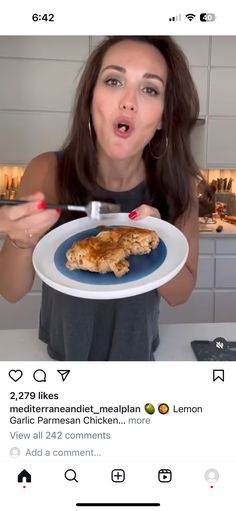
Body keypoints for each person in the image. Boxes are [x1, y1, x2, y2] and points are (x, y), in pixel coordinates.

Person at [0, 36, 200, 361]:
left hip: (138, 356)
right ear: (91, 99)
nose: (128, 101)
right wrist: (21, 242)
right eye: (113, 80)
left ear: (164, 116)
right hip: (61, 356)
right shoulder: (46, 170)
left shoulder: (180, 185)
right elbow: (10, 291)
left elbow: (180, 296)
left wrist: (161, 237)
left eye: (150, 89)